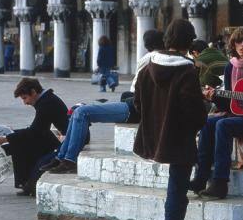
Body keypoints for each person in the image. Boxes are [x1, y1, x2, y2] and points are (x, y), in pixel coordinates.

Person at [39, 31, 166, 175]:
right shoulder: (160, 59)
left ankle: (69, 159)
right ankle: (61, 157)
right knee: (78, 111)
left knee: (81, 111)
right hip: (136, 105)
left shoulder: (151, 58)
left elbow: (139, 92)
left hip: (135, 108)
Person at [133, 19, 207, 220]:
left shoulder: (147, 66)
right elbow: (192, 109)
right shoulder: (186, 70)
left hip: (155, 135)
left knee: (175, 187)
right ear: (189, 41)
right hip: (179, 138)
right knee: (177, 189)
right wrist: (200, 121)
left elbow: (137, 102)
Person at [190, 27, 243, 199]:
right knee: (207, 122)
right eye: (238, 42)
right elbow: (231, 104)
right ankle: (201, 177)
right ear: (233, 45)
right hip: (238, 116)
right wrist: (214, 96)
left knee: (223, 124)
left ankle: (220, 183)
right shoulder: (231, 68)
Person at [0, 78, 68, 196]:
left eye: (25, 98)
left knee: (23, 146)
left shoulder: (46, 103)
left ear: (34, 92)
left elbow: (36, 130)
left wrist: (7, 138)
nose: (25, 102)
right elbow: (39, 129)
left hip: (66, 144)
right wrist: (11, 133)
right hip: (56, 137)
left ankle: (28, 184)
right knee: (18, 141)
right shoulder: (45, 100)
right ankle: (25, 183)